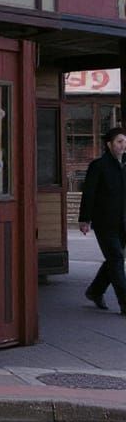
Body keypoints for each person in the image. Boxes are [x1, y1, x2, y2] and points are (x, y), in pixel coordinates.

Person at [79, 125, 126, 315]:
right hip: (104, 222)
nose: (123, 146)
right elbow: (88, 194)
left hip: (123, 221)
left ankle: (95, 291)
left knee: (114, 259)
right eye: (119, 142)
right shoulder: (98, 166)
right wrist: (84, 220)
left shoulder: (125, 165)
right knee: (116, 258)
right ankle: (124, 303)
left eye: (125, 142)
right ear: (109, 144)